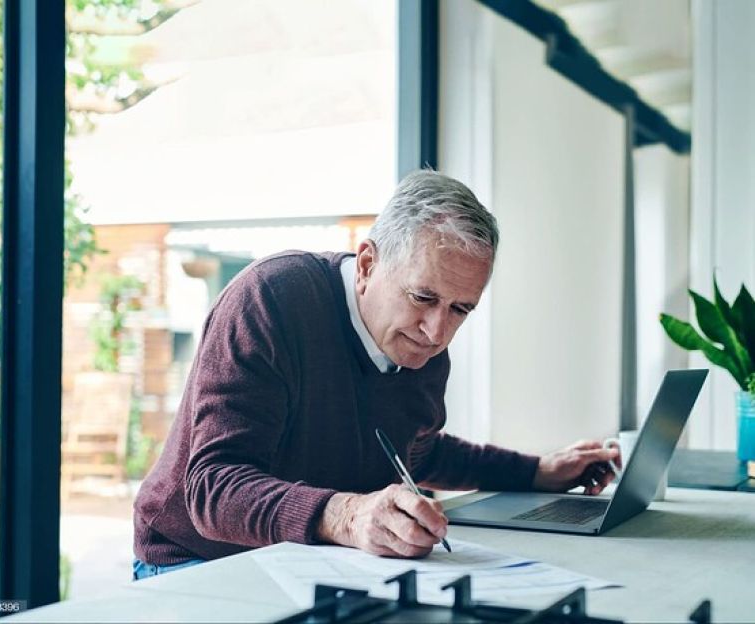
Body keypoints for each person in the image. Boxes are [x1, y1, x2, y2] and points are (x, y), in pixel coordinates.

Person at [132, 170, 619, 579]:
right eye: (423, 298)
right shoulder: (271, 300)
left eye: (460, 310)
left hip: (311, 560)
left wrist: (536, 472)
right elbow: (212, 488)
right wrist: (348, 514)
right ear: (367, 264)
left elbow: (417, 449)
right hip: (198, 559)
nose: (437, 331)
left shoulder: (420, 345)